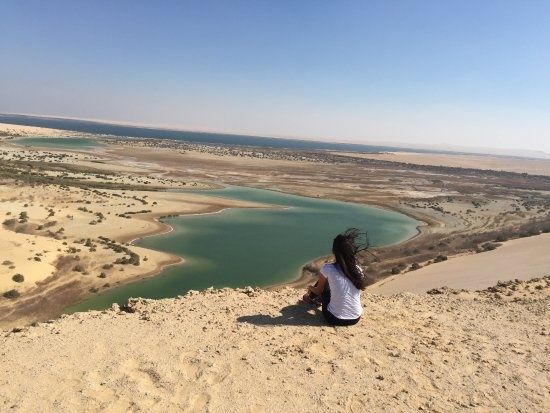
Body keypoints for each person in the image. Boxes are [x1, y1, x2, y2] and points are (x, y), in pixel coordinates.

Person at [303, 228, 368, 326]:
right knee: (329, 282)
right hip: (355, 318)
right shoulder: (357, 270)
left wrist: (309, 288)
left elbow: (319, 291)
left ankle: (311, 298)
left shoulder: (328, 268)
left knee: (324, 285)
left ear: (334, 251)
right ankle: (316, 299)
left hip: (334, 318)